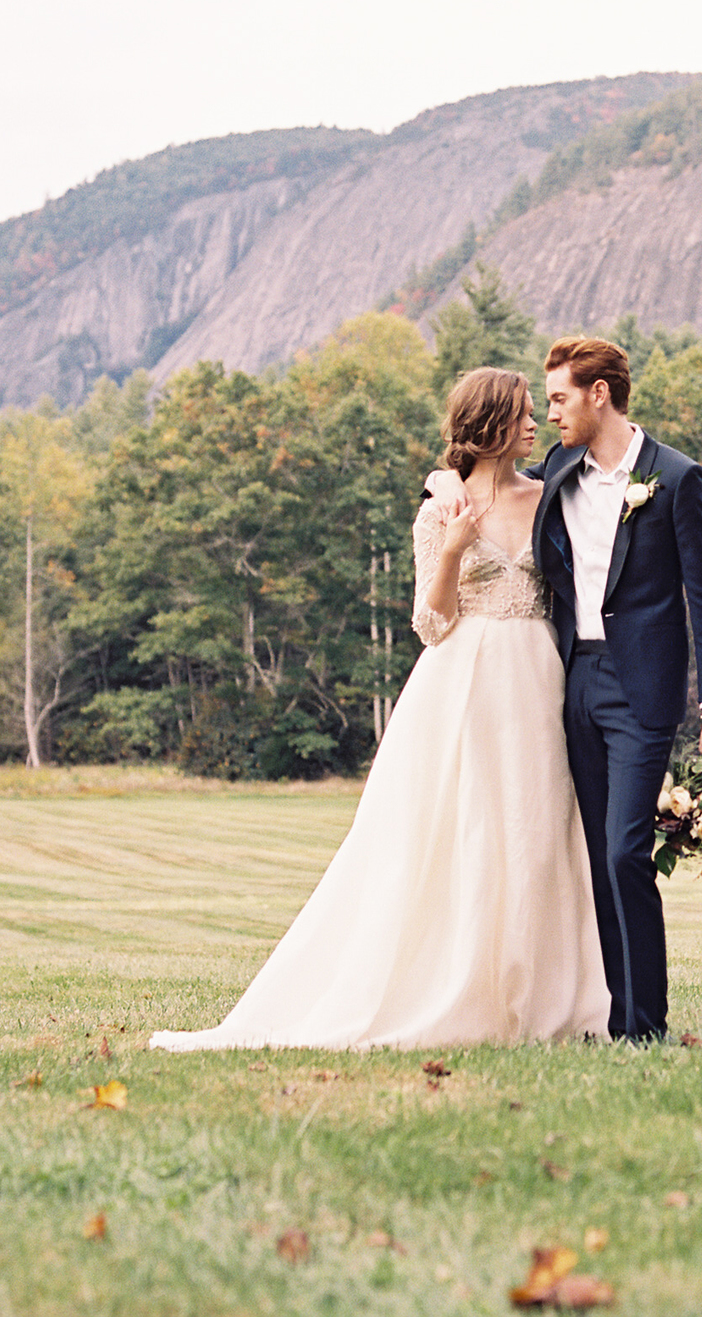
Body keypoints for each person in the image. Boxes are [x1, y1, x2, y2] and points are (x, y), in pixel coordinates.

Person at [149, 368, 608, 1052]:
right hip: (464, 683)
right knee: (459, 832)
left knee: (538, 832)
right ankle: (461, 992)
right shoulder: (438, 513)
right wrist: (453, 550)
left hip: (541, 678)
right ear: (488, 424)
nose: (535, 423)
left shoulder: (551, 498)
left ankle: (548, 998)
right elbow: (431, 621)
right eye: (520, 413)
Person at [436, 335, 702, 1043]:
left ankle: (648, 1026)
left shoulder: (677, 478)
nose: (548, 416)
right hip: (569, 684)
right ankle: (617, 1019)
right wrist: (442, 481)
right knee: (594, 861)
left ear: (597, 394)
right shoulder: (560, 470)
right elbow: (477, 475)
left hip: (642, 692)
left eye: (559, 399)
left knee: (624, 851)